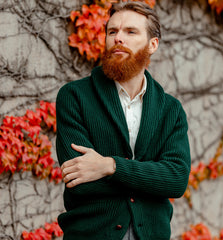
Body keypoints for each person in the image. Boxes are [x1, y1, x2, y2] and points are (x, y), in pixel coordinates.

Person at [56, 1, 191, 240]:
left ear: (153, 45)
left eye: (130, 31)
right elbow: (81, 180)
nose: (118, 38)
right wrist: (150, 177)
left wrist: (110, 166)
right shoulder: (75, 96)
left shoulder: (170, 110)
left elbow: (176, 180)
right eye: (112, 31)